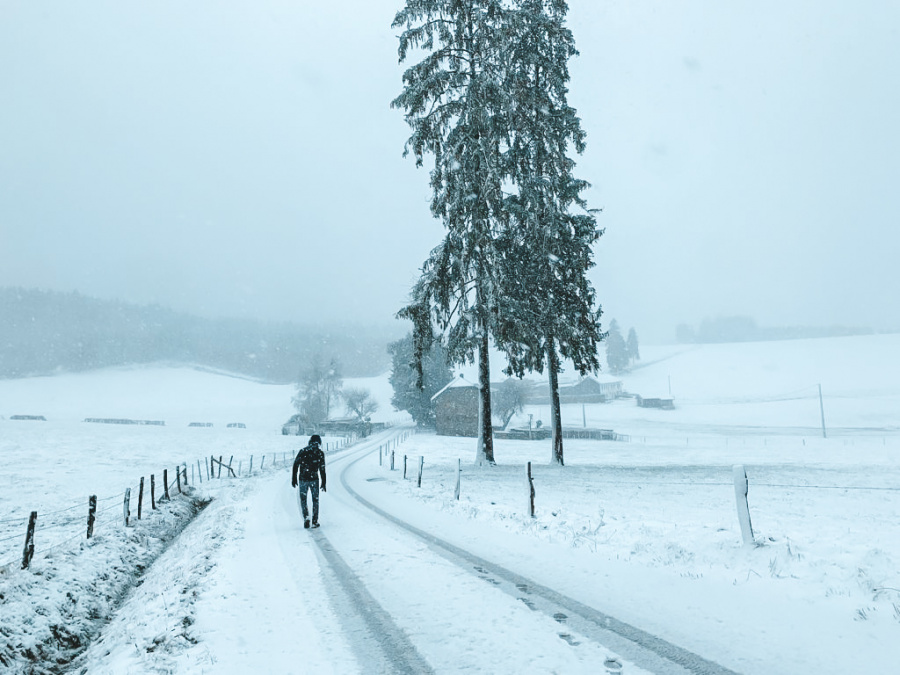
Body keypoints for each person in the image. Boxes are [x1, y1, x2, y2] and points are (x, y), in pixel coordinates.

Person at [291, 433, 327, 528]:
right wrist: (324, 482)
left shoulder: (303, 451)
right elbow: (322, 469)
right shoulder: (320, 453)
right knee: (315, 500)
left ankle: (306, 517)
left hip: (303, 479)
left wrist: (294, 478)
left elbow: (296, 464)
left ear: (310, 441)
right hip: (314, 479)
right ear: (319, 442)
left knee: (303, 500)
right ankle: (315, 521)